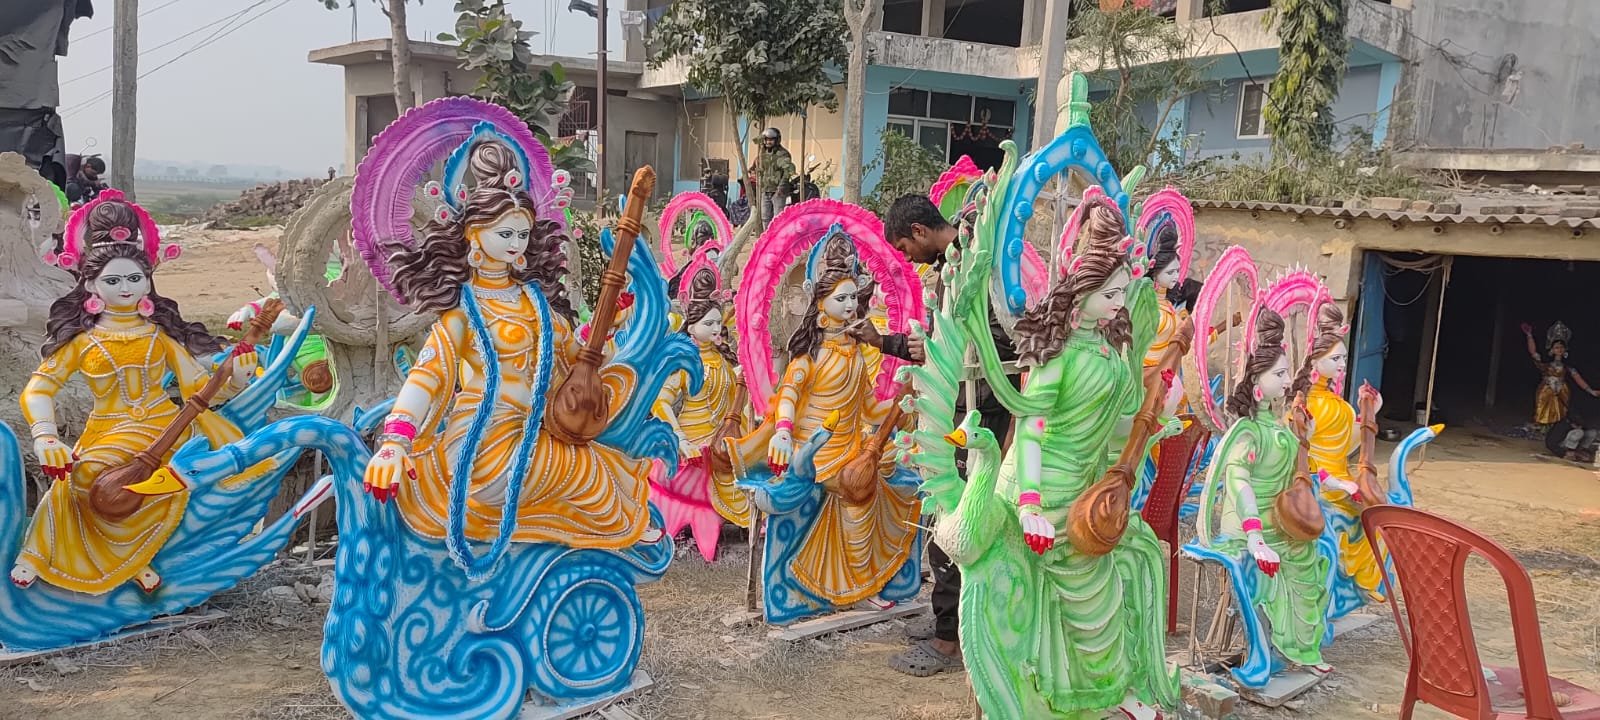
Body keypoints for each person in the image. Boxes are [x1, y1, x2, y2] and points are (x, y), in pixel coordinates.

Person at [852, 194, 1019, 677]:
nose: (908, 258)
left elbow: (991, 345)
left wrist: (937, 350)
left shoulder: (978, 268)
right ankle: (953, 621)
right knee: (942, 515)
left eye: (906, 248)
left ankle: (951, 641)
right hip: (957, 406)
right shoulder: (952, 269)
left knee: (954, 519)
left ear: (921, 232)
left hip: (978, 413)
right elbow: (937, 347)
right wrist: (884, 342)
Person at [754, 128, 795, 223]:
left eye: (771, 139)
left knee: (778, 219)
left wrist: (781, 188)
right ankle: (767, 233)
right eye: (766, 139)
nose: (768, 142)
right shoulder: (762, 153)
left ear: (777, 140)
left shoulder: (783, 154)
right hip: (765, 190)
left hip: (778, 191)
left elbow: (787, 172)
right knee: (765, 217)